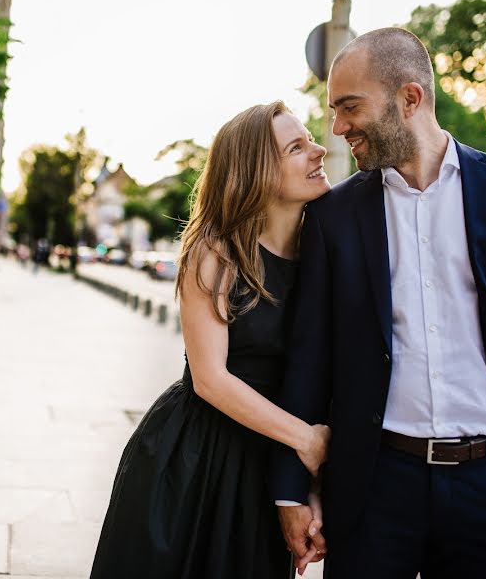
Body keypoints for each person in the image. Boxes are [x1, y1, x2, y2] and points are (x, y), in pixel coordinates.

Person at [271, 28, 486, 579]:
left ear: (410, 98)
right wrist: (292, 490)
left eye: (349, 107)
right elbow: (310, 359)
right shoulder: (333, 218)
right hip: (375, 489)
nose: (337, 128)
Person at [90, 101, 332, 579]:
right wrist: (308, 441)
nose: (319, 150)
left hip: (272, 455)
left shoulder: (322, 252)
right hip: (199, 458)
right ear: (257, 170)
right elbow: (210, 379)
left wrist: (311, 485)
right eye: (297, 147)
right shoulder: (217, 251)